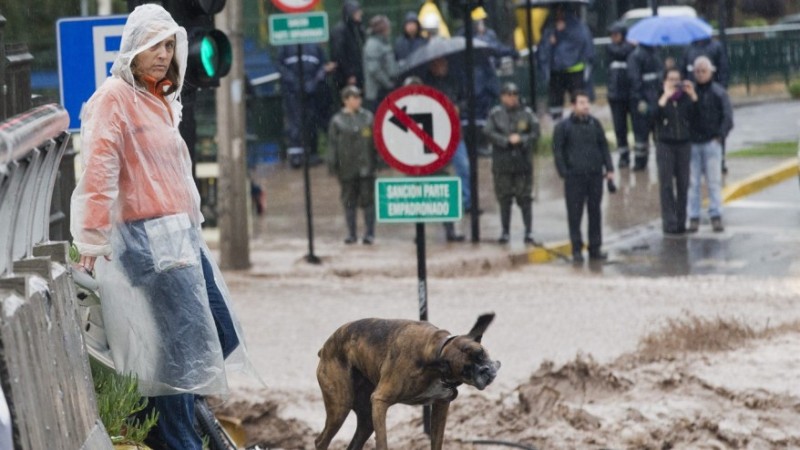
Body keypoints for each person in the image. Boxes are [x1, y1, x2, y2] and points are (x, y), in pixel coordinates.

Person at [70, 5, 245, 449]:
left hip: (180, 237)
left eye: (170, 44)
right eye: (154, 44)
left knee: (214, 333)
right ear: (133, 47)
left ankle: (165, 421)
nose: (164, 54)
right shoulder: (115, 97)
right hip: (144, 241)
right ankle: (176, 435)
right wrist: (90, 241)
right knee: (181, 351)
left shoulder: (160, 98)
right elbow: (99, 172)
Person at [553, 92, 614, 263]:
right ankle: (576, 249)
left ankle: (595, 248)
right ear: (573, 105)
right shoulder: (563, 127)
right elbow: (558, 151)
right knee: (575, 215)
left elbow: (603, 147)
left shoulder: (595, 124)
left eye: (587, 102)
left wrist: (609, 168)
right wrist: (564, 172)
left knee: (595, 212)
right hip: (575, 177)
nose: (586, 106)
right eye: (581, 103)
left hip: (594, 175)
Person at [484, 82, 540, 244]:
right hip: (502, 163)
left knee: (525, 198)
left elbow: (535, 132)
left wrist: (522, 139)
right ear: (502, 97)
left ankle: (528, 231)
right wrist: (505, 141)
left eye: (514, 95)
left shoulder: (527, 113)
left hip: (522, 163)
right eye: (508, 95)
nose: (512, 98)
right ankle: (505, 231)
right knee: (504, 198)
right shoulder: (496, 114)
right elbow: (488, 132)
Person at [687, 56, 733, 233]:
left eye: (703, 71)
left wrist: (719, 136)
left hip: (711, 143)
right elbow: (686, 115)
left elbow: (727, 117)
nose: (700, 74)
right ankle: (693, 216)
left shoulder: (718, 92)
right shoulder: (691, 93)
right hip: (694, 144)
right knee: (693, 183)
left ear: (710, 72)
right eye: (697, 71)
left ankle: (715, 215)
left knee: (713, 182)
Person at [327, 86, 378, 244]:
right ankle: (352, 233)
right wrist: (332, 166)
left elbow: (376, 141)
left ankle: (369, 233)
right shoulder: (337, 121)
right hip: (346, 168)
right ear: (345, 100)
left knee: (368, 200)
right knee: (349, 201)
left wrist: (378, 162)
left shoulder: (368, 117)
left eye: (358, 97)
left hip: (366, 167)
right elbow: (332, 145)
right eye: (353, 98)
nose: (357, 100)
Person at [276, 43, 334, 168]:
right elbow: (280, 67)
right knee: (295, 123)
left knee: (311, 121)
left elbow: (322, 67)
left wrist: (313, 83)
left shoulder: (315, 47)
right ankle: (296, 156)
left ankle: (312, 154)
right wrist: (296, 83)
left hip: (313, 92)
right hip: (292, 92)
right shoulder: (286, 47)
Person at [654, 68, 697, 235]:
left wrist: (693, 96)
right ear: (664, 81)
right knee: (666, 185)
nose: (674, 83)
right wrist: (665, 96)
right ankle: (669, 222)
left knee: (683, 184)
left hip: (683, 144)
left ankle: (681, 221)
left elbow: (696, 116)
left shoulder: (685, 98)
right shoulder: (660, 97)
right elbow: (652, 116)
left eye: (676, 79)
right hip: (665, 144)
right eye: (670, 79)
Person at [537, 5, 594, 121]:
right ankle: (558, 125)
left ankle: (580, 123)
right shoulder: (550, 28)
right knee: (556, 102)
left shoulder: (577, 27)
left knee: (577, 98)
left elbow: (585, 47)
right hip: (557, 71)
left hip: (575, 71)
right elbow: (544, 49)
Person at [627, 43, 663, 171]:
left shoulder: (655, 52)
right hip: (644, 99)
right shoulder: (637, 56)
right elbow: (634, 79)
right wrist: (639, 99)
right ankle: (641, 160)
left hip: (654, 98)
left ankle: (647, 160)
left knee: (655, 131)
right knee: (641, 131)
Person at [605, 22, 635, 168]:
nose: (613, 38)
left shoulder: (633, 51)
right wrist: (632, 45)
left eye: (616, 34)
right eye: (612, 35)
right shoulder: (611, 48)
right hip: (616, 95)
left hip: (631, 94)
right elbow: (619, 52)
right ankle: (624, 155)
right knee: (619, 126)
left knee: (637, 125)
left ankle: (641, 155)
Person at [363, 15, 397, 111]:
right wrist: (388, 84)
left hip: (384, 91)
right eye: (387, 27)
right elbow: (374, 69)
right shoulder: (372, 44)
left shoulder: (384, 43)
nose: (389, 30)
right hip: (377, 93)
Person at [330, 0, 365, 91]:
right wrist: (349, 74)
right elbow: (339, 54)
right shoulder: (340, 31)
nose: (360, 13)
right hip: (346, 77)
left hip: (357, 74)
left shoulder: (356, 28)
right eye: (357, 11)